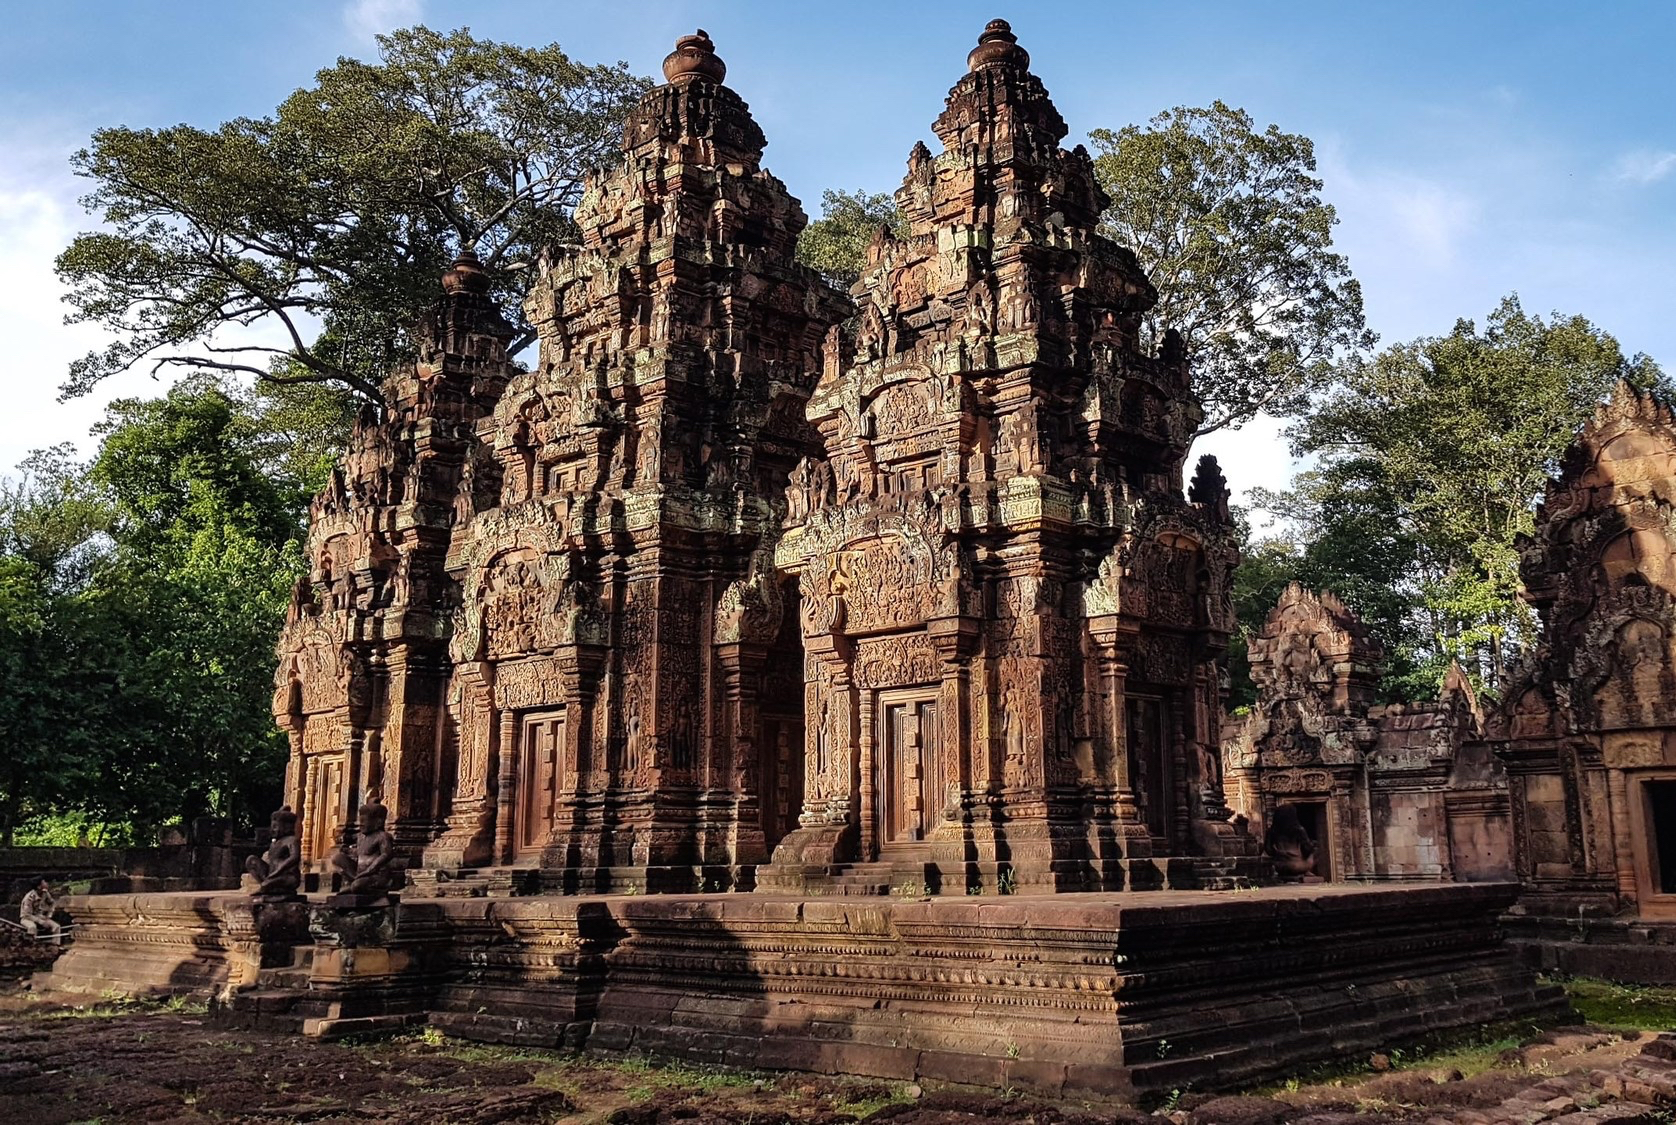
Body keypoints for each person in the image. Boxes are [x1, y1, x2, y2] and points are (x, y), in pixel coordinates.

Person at [19, 878, 63, 945]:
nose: (46, 883)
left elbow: (52, 903)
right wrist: (41, 922)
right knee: (32, 927)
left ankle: (55, 945)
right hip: (27, 918)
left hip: (39, 916)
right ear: (39, 886)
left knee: (56, 926)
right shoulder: (29, 898)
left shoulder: (45, 893)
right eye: (44, 882)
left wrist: (49, 914)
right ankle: (32, 946)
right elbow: (26, 914)